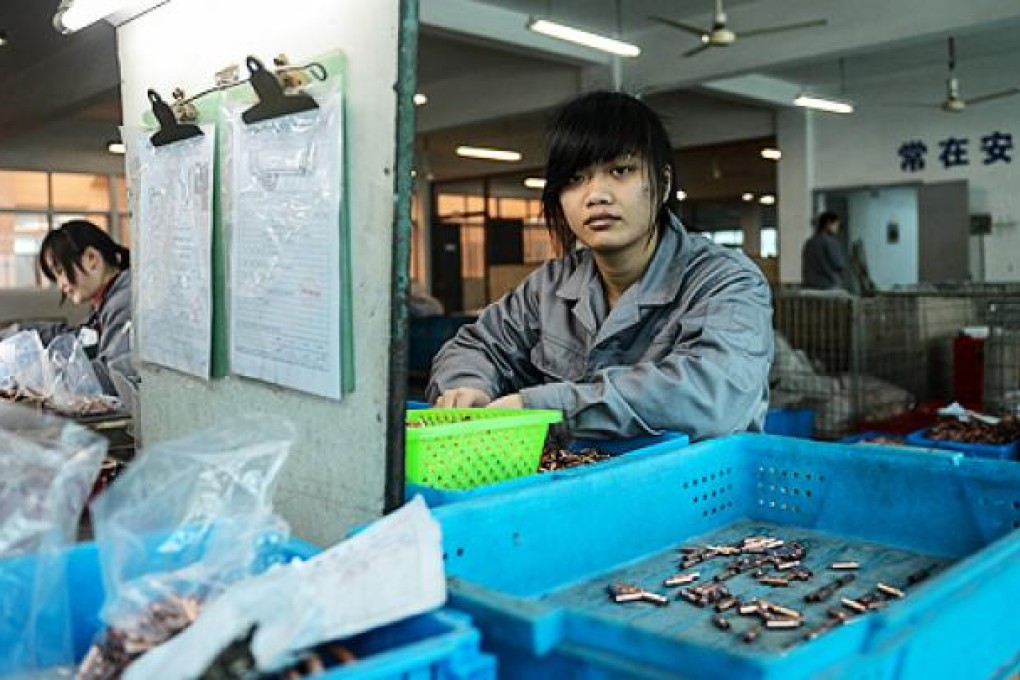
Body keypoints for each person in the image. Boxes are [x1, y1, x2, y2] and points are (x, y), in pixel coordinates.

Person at [426, 91, 774, 441]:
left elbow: (713, 396)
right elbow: (477, 345)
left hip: (690, 491)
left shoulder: (725, 281)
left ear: (663, 183)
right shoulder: (548, 287)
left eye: (620, 170)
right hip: (577, 487)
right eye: (575, 179)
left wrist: (549, 409)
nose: (596, 195)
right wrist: (465, 387)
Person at [7, 220, 132, 395]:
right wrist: (20, 332)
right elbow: (77, 336)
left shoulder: (125, 301)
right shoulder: (106, 303)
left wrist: (41, 374)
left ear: (91, 259)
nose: (60, 285)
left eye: (59, 272)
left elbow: (112, 377)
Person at [801, 211, 847, 290]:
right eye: (836, 225)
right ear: (828, 223)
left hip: (809, 285)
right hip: (829, 284)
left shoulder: (809, 242)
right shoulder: (831, 242)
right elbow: (839, 264)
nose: (837, 229)